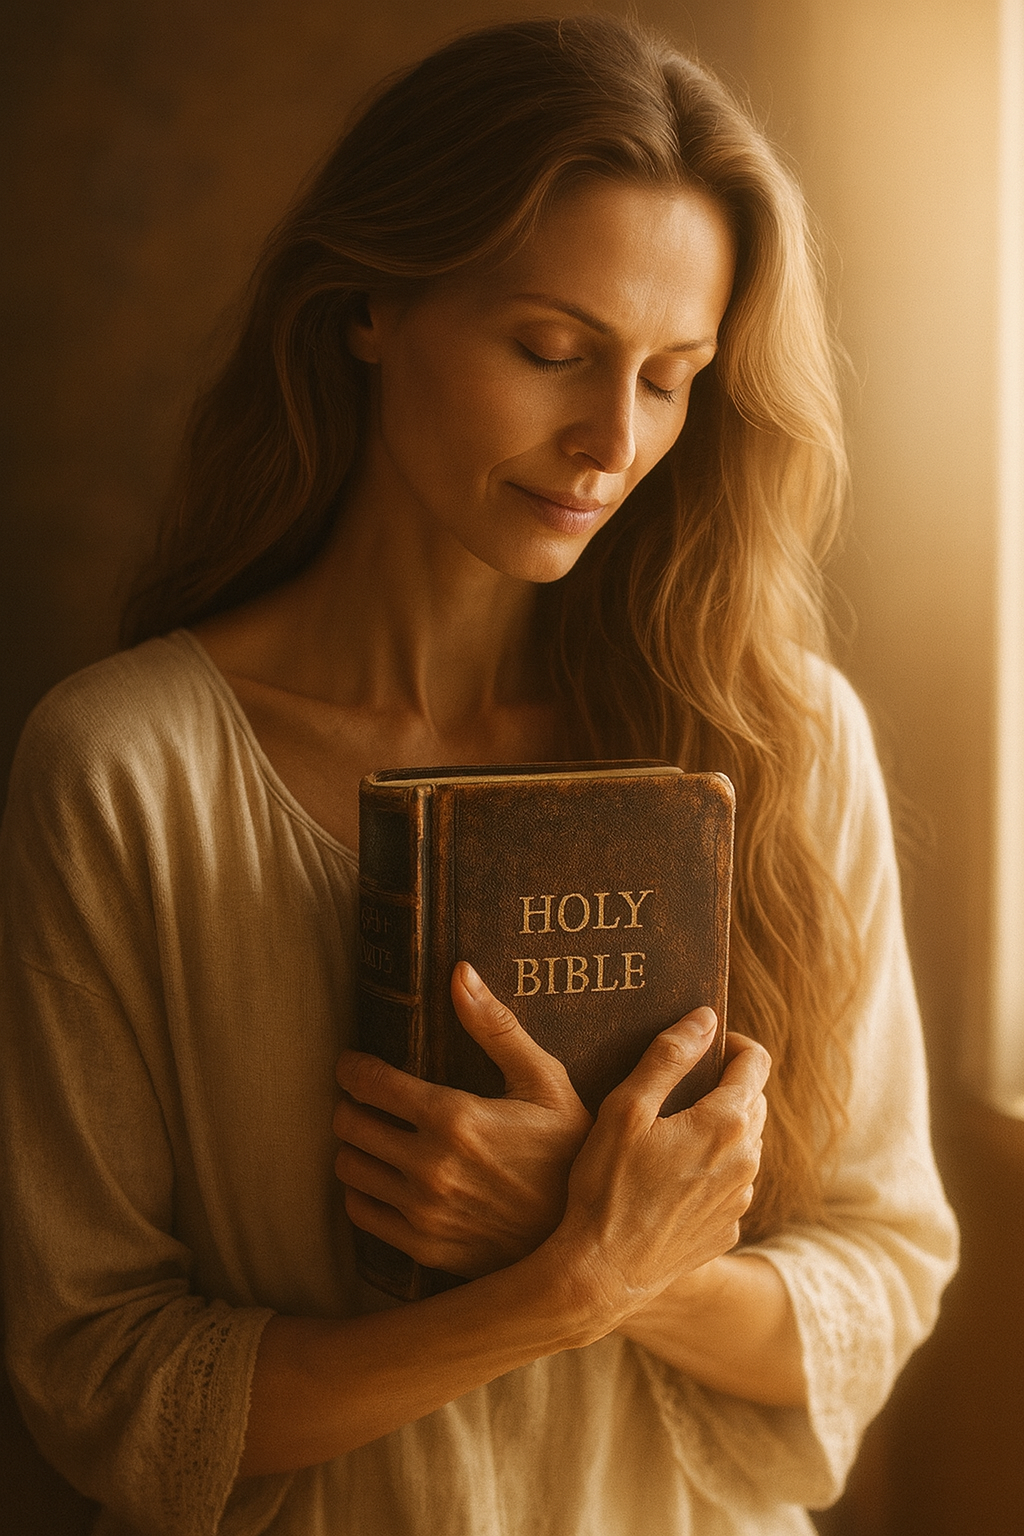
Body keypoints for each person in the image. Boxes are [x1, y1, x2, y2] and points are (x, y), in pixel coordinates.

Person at [0, 14, 957, 1536]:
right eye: (552, 352)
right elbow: (106, 1388)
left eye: (672, 378)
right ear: (370, 303)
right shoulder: (124, 771)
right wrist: (563, 1282)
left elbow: (880, 1277)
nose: (610, 441)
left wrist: (604, 1242)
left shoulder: (781, 739)